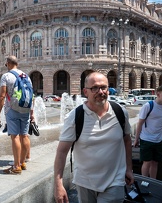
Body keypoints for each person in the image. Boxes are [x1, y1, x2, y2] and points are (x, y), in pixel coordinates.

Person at [54, 72, 134, 203]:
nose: (100, 91)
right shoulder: (75, 116)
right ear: (86, 92)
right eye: (95, 88)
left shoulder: (120, 112)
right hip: (85, 182)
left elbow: (127, 140)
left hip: (115, 180)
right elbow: (62, 152)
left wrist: (129, 168)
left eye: (104, 87)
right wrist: (58, 184)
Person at [0, 55, 31, 175]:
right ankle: (22, 162)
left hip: (12, 109)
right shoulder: (26, 76)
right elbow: (32, 95)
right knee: (24, 135)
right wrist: (31, 111)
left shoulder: (6, 76)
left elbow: (2, 96)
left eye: (6, 65)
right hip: (25, 108)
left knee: (15, 136)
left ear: (8, 64)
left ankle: (16, 166)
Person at [133, 85, 162, 179]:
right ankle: (144, 182)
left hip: (159, 139)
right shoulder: (148, 106)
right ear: (158, 94)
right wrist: (136, 139)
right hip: (146, 139)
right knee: (147, 162)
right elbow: (140, 123)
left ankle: (153, 182)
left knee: (155, 163)